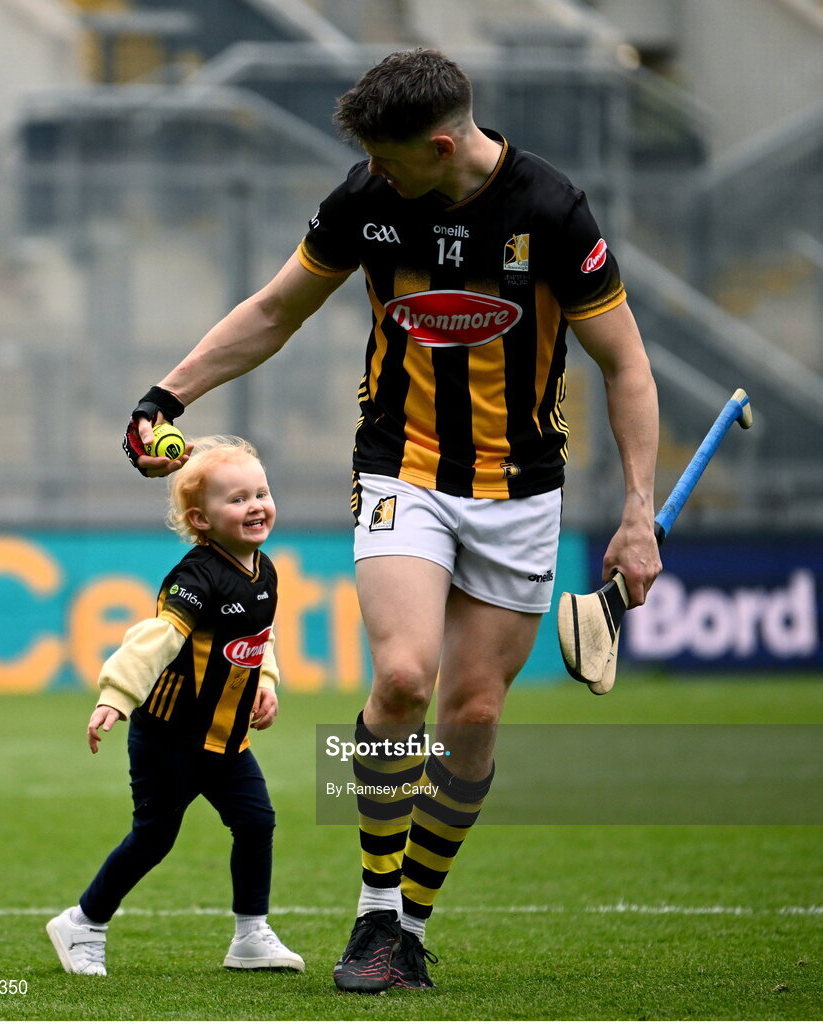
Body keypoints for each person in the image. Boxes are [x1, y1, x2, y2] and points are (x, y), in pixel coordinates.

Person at [122, 49, 662, 993]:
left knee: (474, 713)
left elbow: (626, 364)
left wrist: (637, 514)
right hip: (399, 468)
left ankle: (410, 922)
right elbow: (274, 310)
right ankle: (371, 910)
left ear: (443, 143)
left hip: (520, 489)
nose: (375, 173)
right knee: (404, 676)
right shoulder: (365, 199)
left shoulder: (551, 210)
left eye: (389, 158)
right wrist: (166, 394)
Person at [47, 435, 304, 977]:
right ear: (201, 519)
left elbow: (261, 636)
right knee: (154, 837)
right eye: (236, 498)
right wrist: (116, 696)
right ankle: (82, 923)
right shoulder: (196, 576)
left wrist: (268, 682)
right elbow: (158, 639)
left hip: (227, 738)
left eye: (261, 492)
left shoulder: (266, 570)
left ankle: (250, 935)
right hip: (170, 735)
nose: (255, 505)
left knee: (257, 822)